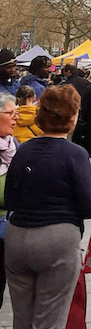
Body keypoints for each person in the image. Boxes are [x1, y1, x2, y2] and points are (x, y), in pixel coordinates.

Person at [4, 85, 91, 329]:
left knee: (22, 324)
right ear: (73, 117)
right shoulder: (76, 154)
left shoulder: (24, 151)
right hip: (57, 240)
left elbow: (10, 198)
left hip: (18, 237)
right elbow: (88, 208)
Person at [0, 93, 19, 309]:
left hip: (9, 229)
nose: (15, 118)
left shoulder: (13, 144)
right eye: (10, 113)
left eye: (17, 113)